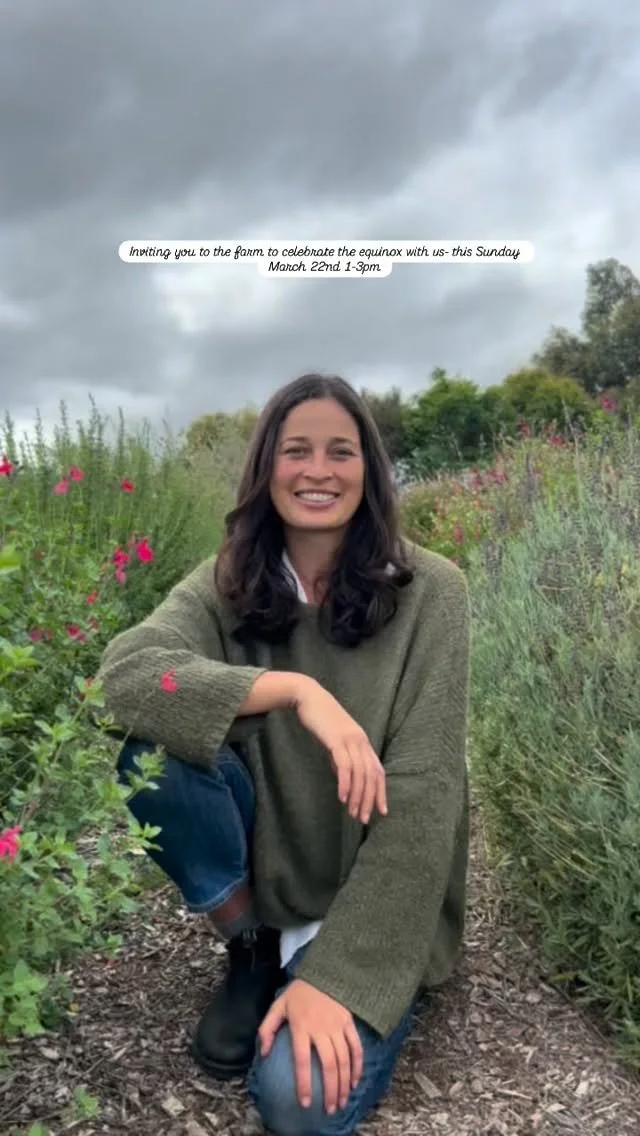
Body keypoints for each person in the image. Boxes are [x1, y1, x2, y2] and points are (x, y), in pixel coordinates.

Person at [95, 373, 471, 1136]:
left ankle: (322, 966)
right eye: (296, 450)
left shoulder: (433, 591)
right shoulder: (227, 582)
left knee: (299, 1105)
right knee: (150, 755)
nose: (317, 471)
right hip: (275, 873)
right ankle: (253, 948)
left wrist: (338, 977)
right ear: (267, 467)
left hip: (378, 895)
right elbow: (125, 678)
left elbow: (426, 797)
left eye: (341, 451)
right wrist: (296, 690)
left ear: (371, 470)